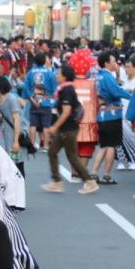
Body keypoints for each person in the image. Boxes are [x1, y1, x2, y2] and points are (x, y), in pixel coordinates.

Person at [42, 64, 100, 195]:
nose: (56, 75)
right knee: (53, 152)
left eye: (59, 74)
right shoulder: (63, 89)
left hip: (68, 130)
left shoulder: (67, 90)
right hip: (65, 129)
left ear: (64, 76)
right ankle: (57, 182)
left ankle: (89, 182)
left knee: (71, 156)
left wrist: (54, 127)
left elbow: (66, 112)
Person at [91, 51, 132, 184]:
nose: (116, 63)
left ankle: (94, 172)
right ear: (107, 63)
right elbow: (115, 91)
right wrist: (130, 95)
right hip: (112, 115)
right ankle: (107, 175)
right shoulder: (108, 77)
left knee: (103, 146)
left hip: (102, 115)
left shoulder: (98, 76)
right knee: (111, 146)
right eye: (114, 61)